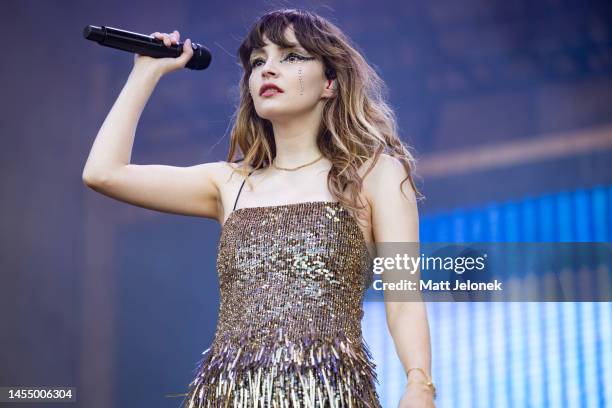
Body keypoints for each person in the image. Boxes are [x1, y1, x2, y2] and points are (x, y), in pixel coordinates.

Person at [82, 8, 435, 408]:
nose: (268, 69)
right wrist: (145, 73)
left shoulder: (376, 173)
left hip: (329, 393)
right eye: (258, 61)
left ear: (330, 83)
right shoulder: (228, 183)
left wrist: (419, 384)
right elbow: (103, 173)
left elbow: (404, 295)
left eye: (291, 57)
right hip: (227, 393)